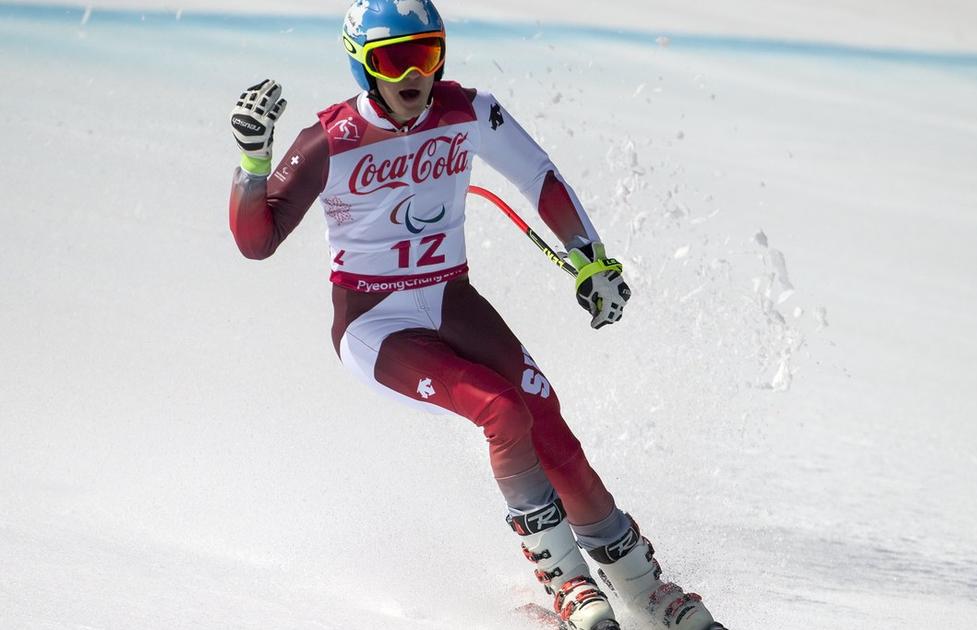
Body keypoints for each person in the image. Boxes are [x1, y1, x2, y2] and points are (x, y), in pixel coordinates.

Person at [227, 2, 723, 628]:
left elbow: (538, 175)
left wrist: (590, 259)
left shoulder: (468, 111)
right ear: (363, 66)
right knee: (500, 409)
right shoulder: (329, 141)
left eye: (427, 54)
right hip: (375, 326)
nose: (414, 75)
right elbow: (257, 240)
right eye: (392, 59)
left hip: (452, 300)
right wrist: (251, 163)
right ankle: (569, 586)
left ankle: (644, 588)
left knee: (545, 417)